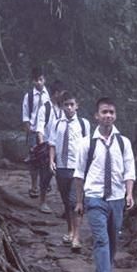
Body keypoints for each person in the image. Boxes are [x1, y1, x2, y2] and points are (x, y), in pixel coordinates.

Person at [78, 97, 135, 272]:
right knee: (101, 239)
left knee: (112, 239)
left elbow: (129, 171)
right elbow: (79, 174)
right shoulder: (87, 143)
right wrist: (79, 201)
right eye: (104, 112)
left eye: (111, 112)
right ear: (96, 116)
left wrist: (129, 193)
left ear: (115, 115)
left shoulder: (123, 142)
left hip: (117, 198)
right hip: (94, 197)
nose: (108, 115)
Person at [51, 92, 88, 250]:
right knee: (66, 201)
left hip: (77, 168)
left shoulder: (83, 124)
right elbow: (52, 143)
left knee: (75, 201)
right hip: (61, 166)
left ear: (77, 105)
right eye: (66, 104)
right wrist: (51, 160)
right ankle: (70, 231)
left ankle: (77, 237)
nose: (69, 107)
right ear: (62, 106)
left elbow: (88, 145)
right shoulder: (57, 123)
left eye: (72, 104)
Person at [20, 68, 54, 204]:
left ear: (44, 79)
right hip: (34, 131)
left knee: (45, 160)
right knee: (34, 160)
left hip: (47, 131)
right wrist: (29, 132)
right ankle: (34, 185)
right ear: (32, 81)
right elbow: (25, 115)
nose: (39, 82)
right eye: (36, 80)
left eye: (41, 79)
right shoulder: (29, 96)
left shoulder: (49, 95)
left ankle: (45, 183)